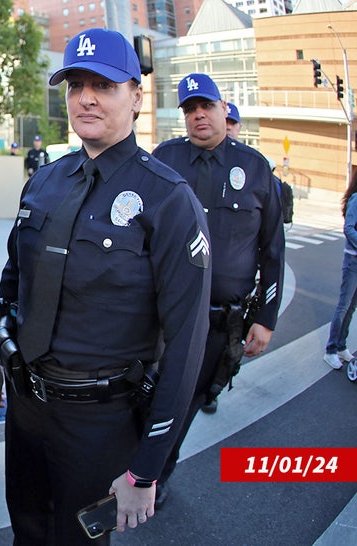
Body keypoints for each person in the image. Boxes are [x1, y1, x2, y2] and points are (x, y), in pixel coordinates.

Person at [0, 28, 211, 544]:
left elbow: (187, 346)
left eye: (104, 85)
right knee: (29, 531)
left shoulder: (168, 199)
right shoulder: (45, 180)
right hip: (27, 406)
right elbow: (14, 278)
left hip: (100, 422)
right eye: (75, 84)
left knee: (79, 539)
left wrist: (145, 470)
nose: (86, 97)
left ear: (136, 96)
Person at [152, 73, 285, 505]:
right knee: (144, 394)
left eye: (205, 106)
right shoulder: (164, 158)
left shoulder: (255, 167)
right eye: (189, 109)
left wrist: (265, 318)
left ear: (224, 109)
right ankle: (130, 467)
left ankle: (157, 474)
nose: (198, 116)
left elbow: (273, 251)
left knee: (186, 403)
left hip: (215, 322)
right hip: (159, 315)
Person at [323, 171, 357, 369]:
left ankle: (341, 345)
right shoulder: (355, 198)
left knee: (352, 307)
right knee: (343, 306)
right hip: (353, 261)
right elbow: (349, 228)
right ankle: (330, 350)